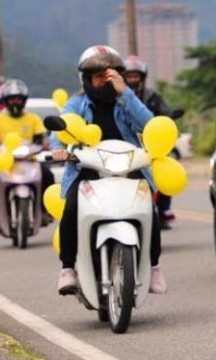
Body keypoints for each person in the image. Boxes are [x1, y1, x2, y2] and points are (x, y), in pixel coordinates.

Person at [51, 45, 167, 296]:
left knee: (150, 207)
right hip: (88, 168)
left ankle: (155, 266)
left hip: (127, 167)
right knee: (71, 206)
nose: (105, 80)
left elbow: (148, 123)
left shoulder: (125, 100)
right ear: (87, 79)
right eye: (99, 75)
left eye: (110, 74)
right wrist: (58, 150)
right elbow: (59, 131)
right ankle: (67, 268)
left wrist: (124, 92)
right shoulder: (77, 103)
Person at [0, 78, 55, 229]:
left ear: (24, 100)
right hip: (5, 162)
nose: (16, 102)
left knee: (47, 174)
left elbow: (42, 137)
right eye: (12, 99)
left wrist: (45, 144)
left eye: (19, 99)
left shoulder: (33, 118)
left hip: (29, 160)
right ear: (6, 100)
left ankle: (44, 212)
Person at [122, 55, 177, 229]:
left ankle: (164, 209)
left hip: (152, 144)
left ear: (142, 78)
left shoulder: (152, 96)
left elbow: (163, 114)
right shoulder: (117, 97)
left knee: (168, 168)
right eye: (129, 76)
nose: (132, 80)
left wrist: (166, 124)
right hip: (126, 144)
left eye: (135, 76)